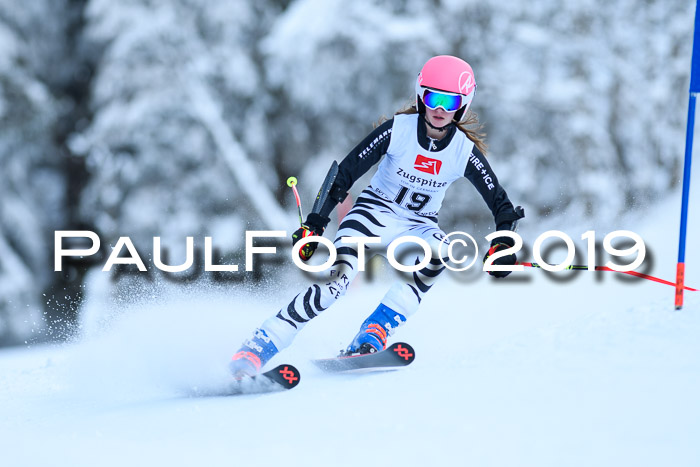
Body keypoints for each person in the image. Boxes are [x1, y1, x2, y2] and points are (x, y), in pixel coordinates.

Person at [229, 55, 523, 376]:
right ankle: (260, 344)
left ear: (463, 105)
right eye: (432, 97)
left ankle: (374, 332)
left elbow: (502, 206)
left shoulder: (462, 151)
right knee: (334, 285)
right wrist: (316, 224)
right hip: (372, 215)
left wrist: (503, 248)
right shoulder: (398, 130)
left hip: (418, 225)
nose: (439, 109)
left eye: (449, 101)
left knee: (441, 252)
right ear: (420, 95)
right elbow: (345, 174)